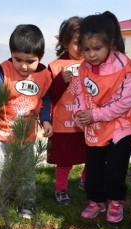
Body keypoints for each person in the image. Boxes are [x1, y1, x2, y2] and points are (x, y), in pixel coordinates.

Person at [72, 11, 131, 223]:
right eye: (86, 49)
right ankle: (96, 201)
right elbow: (80, 93)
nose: (91, 54)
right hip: (95, 127)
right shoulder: (84, 68)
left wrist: (94, 114)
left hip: (120, 127)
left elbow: (124, 103)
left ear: (110, 43)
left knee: (115, 170)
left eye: (96, 48)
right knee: (93, 170)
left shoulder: (126, 68)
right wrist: (78, 113)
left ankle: (116, 200)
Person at [0, 24, 53, 219]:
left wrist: (45, 121)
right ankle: (3, 198)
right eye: (18, 60)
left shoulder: (44, 75)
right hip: (1, 131)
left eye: (30, 61)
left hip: (26, 134)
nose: (24, 66)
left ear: (40, 57)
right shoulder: (2, 71)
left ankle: (27, 203)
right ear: (11, 54)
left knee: (26, 170)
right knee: (1, 168)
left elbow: (46, 99)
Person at [46, 16, 87, 206]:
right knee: (64, 161)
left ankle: (86, 182)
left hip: (88, 122)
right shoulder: (55, 67)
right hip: (64, 124)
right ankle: (61, 189)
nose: (82, 48)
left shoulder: (93, 63)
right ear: (65, 42)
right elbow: (49, 95)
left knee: (92, 155)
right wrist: (60, 81)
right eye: (77, 43)